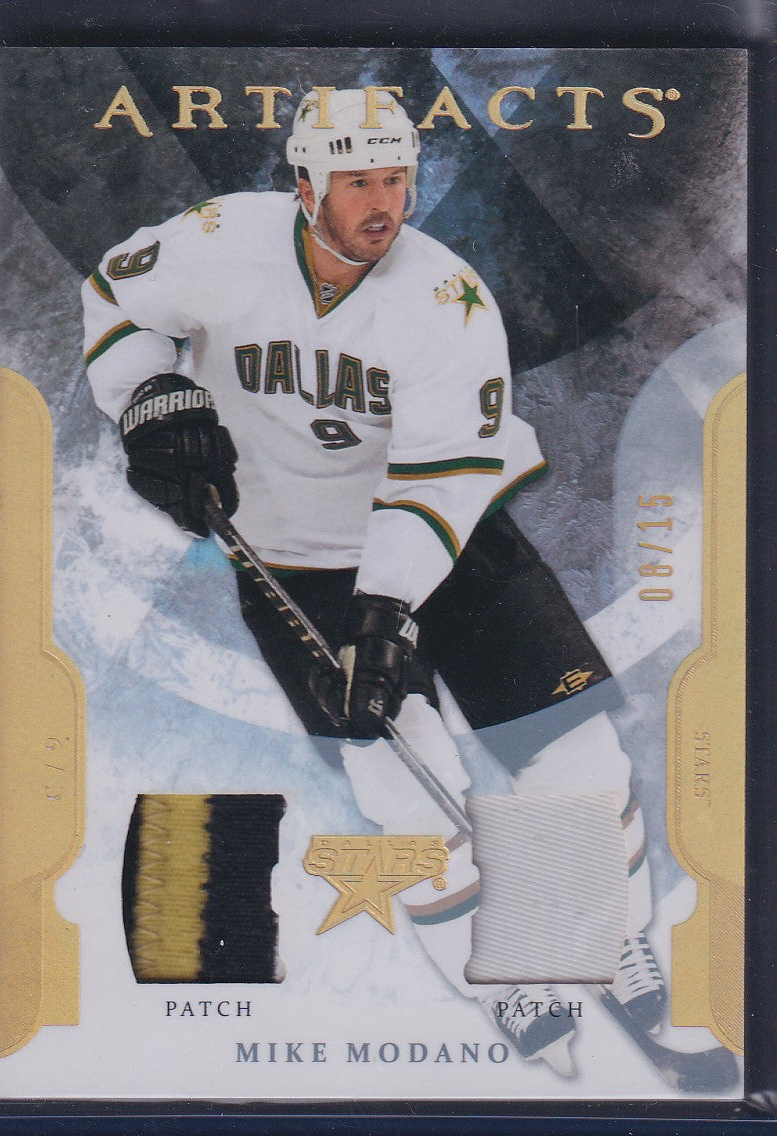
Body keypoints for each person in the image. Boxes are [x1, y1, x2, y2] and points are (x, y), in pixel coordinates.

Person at [82, 88, 664, 1076]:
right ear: (304, 184)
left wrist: (387, 611)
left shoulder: (444, 299)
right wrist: (149, 392)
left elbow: (444, 473)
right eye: (356, 180)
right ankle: (508, 977)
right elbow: (115, 296)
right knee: (404, 783)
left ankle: (612, 933)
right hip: (292, 563)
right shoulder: (219, 241)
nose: (382, 201)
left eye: (395, 177)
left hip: (449, 539)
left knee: (573, 754)